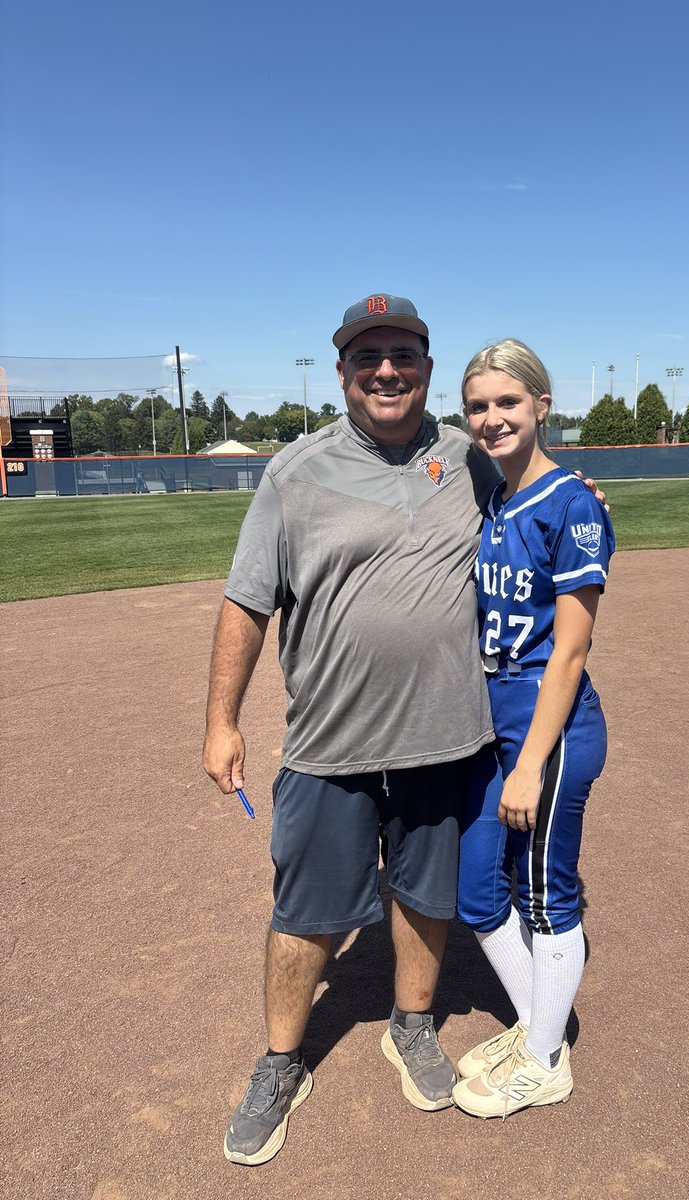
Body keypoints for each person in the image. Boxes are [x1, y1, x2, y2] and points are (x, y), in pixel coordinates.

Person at [203, 294, 502, 1164]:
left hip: (445, 738)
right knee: (305, 912)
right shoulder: (295, 472)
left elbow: (537, 491)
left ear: (427, 367)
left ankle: (412, 1026)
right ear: (341, 371)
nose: (386, 370)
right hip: (330, 745)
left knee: (424, 897)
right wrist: (221, 722)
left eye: (402, 354)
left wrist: (578, 487)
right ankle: (279, 1060)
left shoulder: (467, 458)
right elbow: (247, 602)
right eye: (367, 356)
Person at [450, 339, 614, 1119]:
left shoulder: (570, 502)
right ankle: (536, 1027)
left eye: (508, 403)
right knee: (479, 889)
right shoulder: (494, 497)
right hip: (496, 721)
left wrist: (530, 764)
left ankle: (545, 1059)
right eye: (478, 405)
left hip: (550, 728)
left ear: (542, 406)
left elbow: (572, 648)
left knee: (546, 894)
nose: (492, 419)